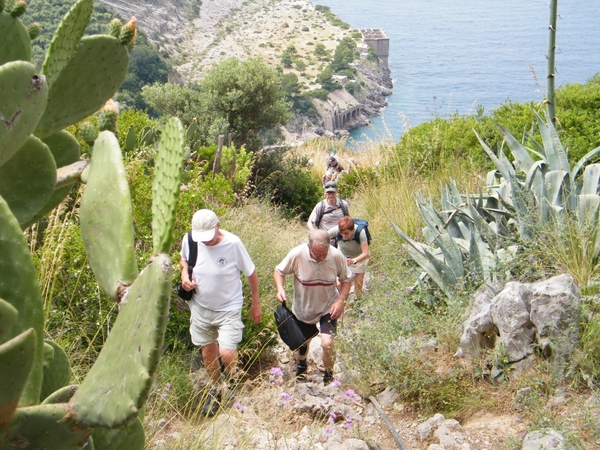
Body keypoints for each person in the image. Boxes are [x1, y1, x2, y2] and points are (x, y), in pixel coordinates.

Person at [180, 209, 262, 417]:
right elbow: (184, 260)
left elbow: (251, 272)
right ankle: (217, 389)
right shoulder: (190, 240)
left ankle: (234, 381)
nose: (205, 242)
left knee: (225, 352)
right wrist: (184, 277)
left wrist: (256, 303)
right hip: (200, 306)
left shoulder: (233, 243)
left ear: (218, 226)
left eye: (208, 237)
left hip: (229, 306)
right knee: (208, 352)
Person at [274, 229, 352, 385]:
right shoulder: (297, 255)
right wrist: (280, 289)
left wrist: (341, 301)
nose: (321, 258)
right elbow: (279, 271)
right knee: (303, 342)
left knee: (327, 343)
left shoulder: (336, 256)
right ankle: (302, 363)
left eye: (324, 254)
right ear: (309, 246)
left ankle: (328, 376)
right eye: (317, 255)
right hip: (304, 308)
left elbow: (347, 279)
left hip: (328, 306)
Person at [328, 216, 370, 299]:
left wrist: (353, 260)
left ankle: (358, 303)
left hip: (359, 257)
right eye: (342, 233)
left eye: (346, 233)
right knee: (340, 283)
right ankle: (343, 300)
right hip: (342, 256)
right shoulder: (336, 230)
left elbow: (366, 253)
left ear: (352, 229)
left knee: (358, 285)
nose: (343, 235)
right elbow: (322, 238)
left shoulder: (360, 232)